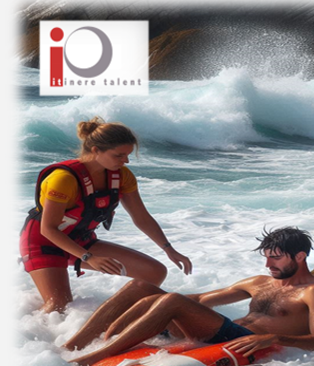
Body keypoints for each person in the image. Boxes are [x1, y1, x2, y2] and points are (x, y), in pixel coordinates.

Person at [63, 227, 314, 366]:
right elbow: (202, 300)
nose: (268, 266)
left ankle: (95, 357)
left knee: (171, 301)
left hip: (241, 341)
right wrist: (155, 299)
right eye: (266, 258)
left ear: (300, 257)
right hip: (210, 330)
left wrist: (273, 338)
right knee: (140, 287)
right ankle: (75, 345)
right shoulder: (259, 282)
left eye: (275, 259)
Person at [19, 117, 192, 313]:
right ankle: (40, 337)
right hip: (43, 242)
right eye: (119, 155)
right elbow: (48, 229)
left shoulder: (122, 176)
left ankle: (116, 317)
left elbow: (141, 217)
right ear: (95, 151)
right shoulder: (63, 179)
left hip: (80, 240)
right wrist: (88, 256)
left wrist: (169, 249)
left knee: (154, 272)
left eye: (127, 155)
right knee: (59, 306)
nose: (125, 161)